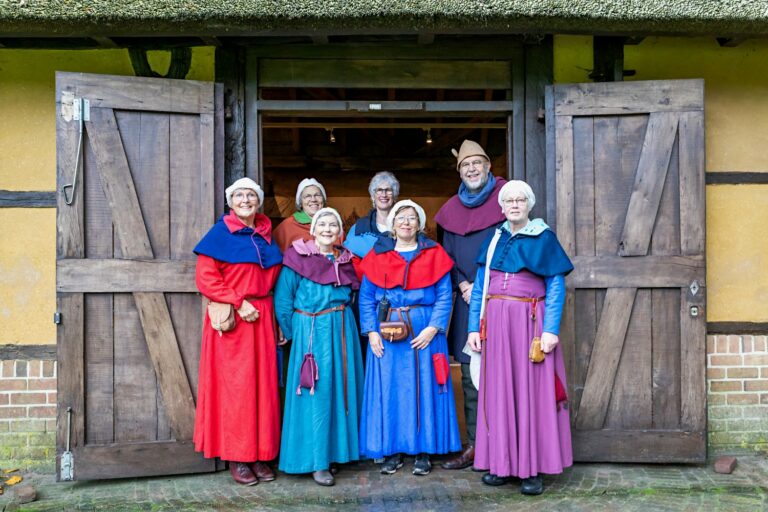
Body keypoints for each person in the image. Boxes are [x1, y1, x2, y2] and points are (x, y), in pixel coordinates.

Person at [466, 180, 574, 495]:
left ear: (529, 204)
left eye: (520, 200)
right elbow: (479, 288)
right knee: (498, 394)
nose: (514, 205)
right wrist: (474, 327)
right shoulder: (493, 239)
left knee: (532, 395)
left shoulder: (544, 237)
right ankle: (501, 464)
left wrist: (550, 329)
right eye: (509, 200)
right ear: (501, 207)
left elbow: (555, 286)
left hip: (530, 325)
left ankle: (531, 469)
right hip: (496, 327)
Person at [358, 200, 462, 476]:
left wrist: (434, 328)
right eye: (400, 217)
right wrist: (371, 333)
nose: (406, 222)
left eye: (412, 218)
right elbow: (366, 297)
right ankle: (392, 450)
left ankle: (423, 450)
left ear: (420, 224)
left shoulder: (434, 253)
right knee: (391, 390)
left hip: (424, 329)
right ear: (392, 224)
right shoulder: (378, 255)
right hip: (387, 330)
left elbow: (443, 295)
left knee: (425, 387)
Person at [192, 177, 283, 486]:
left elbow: (275, 280)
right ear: (230, 202)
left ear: (258, 201)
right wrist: (238, 301)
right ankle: (238, 456)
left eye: (251, 195)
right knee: (238, 391)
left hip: (264, 317)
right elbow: (206, 279)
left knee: (264, 388)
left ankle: (260, 454)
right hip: (236, 323)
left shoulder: (267, 235)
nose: (246, 200)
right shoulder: (220, 234)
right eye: (240, 195)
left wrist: (277, 317)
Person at [273, 208, 364, 486]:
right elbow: (283, 299)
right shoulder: (297, 257)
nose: (327, 228)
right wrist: (295, 333)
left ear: (339, 232)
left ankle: (335, 452)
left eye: (332, 224)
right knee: (317, 393)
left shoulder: (345, 260)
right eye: (322, 224)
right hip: (311, 332)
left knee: (340, 391)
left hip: (341, 329)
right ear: (313, 229)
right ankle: (315, 460)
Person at [435, 140, 506, 470]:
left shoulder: (507, 199)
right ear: (459, 172)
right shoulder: (450, 210)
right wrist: (463, 284)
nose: (472, 169)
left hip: (504, 297)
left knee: (506, 371)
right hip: (466, 301)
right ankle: (476, 445)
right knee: (469, 375)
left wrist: (486, 284)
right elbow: (446, 255)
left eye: (478, 163)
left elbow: (513, 244)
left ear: (489, 166)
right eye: (466, 166)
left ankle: (506, 444)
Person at [274, 178, 344, 253]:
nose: (313, 199)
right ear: (300, 202)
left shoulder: (334, 224)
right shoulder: (287, 226)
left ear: (323, 200)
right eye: (307, 196)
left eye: (317, 195)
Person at [344, 171, 400, 258]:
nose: (384, 194)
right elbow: (348, 258)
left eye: (388, 190)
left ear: (395, 196)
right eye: (379, 190)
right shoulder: (359, 227)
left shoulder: (403, 226)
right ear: (373, 196)